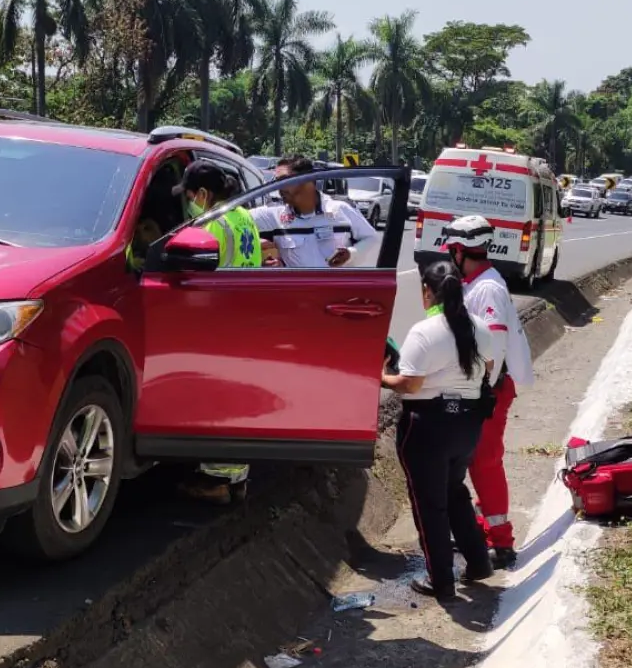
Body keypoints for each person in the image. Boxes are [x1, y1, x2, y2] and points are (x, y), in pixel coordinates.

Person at [382, 261, 496, 601]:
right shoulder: (479, 327)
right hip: (466, 425)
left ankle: (441, 581)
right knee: (454, 492)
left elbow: (410, 384)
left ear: (427, 292)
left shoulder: (424, 331)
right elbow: (488, 369)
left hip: (428, 427)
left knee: (429, 505)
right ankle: (478, 562)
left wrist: (382, 376)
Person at [440, 215, 534, 570]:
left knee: (484, 463)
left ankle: (502, 542)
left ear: (461, 250)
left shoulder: (487, 288)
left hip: (488, 390)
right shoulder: (475, 283)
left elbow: (493, 344)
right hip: (480, 389)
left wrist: (479, 389)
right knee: (476, 462)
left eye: (452, 250)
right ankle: (482, 529)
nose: (450, 256)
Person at [173, 160, 262, 503]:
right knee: (237, 401)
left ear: (205, 194)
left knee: (219, 402)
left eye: (192, 195)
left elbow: (193, 273)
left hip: (220, 323)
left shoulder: (212, 224)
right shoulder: (243, 218)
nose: (189, 201)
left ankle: (217, 481)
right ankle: (237, 478)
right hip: (244, 320)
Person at [250, 156, 380, 268]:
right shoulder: (273, 216)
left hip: (337, 293)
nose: (279, 187)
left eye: (284, 180)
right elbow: (235, 220)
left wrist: (351, 253)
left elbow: (371, 237)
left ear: (307, 180)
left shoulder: (340, 209)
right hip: (298, 293)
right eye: (276, 182)